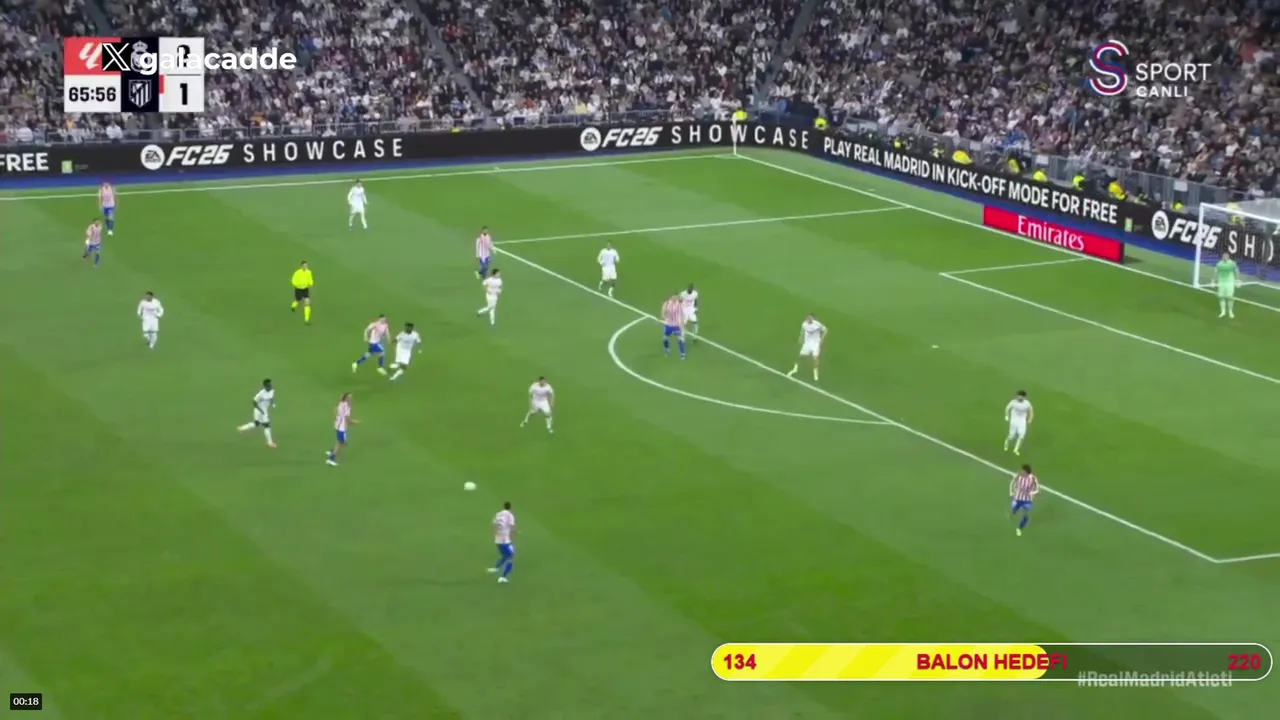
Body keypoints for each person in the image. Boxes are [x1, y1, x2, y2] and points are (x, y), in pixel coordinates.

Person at [236, 379, 277, 447]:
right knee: (267, 425)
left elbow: (271, 397)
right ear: (265, 386)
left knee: (256, 424)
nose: (270, 386)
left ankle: (241, 428)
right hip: (259, 410)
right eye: (268, 385)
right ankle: (270, 443)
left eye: (270, 385)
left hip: (264, 411)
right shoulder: (261, 394)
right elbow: (254, 402)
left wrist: (272, 404)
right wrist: (261, 411)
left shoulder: (272, 391)